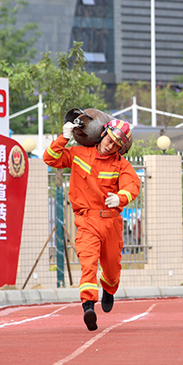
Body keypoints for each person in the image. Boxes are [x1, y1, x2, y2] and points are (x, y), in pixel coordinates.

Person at [44, 119, 140, 331]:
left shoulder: (121, 164)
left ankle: (109, 289)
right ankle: (88, 305)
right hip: (87, 220)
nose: (111, 146)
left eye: (117, 145)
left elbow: (132, 185)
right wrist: (64, 137)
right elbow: (50, 159)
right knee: (88, 263)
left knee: (113, 269)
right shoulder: (78, 154)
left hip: (111, 222)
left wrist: (121, 198)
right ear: (103, 133)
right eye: (110, 140)